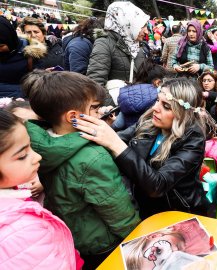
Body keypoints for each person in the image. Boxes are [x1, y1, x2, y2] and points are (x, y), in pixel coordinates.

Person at [25, 71, 140, 268]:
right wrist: (137, 236)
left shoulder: (38, 142)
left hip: (72, 235)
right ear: (72, 117)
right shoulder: (93, 157)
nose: (100, 112)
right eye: (94, 108)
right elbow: (116, 208)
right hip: (103, 241)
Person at [73, 78, 210, 219]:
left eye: (166, 106)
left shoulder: (193, 139)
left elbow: (158, 185)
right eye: (157, 100)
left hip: (176, 213)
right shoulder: (149, 121)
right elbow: (120, 138)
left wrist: (115, 143)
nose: (155, 108)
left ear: (183, 113)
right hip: (142, 207)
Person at [0, 110, 82, 270]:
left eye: (31, 146)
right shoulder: (21, 230)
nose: (37, 156)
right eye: (22, 155)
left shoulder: (14, 189)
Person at [86, 2, 150, 104]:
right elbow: (95, 83)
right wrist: (113, 109)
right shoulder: (104, 43)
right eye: (143, 26)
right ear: (127, 22)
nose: (147, 32)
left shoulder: (137, 45)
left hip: (137, 107)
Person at [0, 16, 46, 98]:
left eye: (1, 46)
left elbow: (38, 85)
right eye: (29, 32)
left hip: (21, 103)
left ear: (10, 39)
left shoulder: (31, 52)